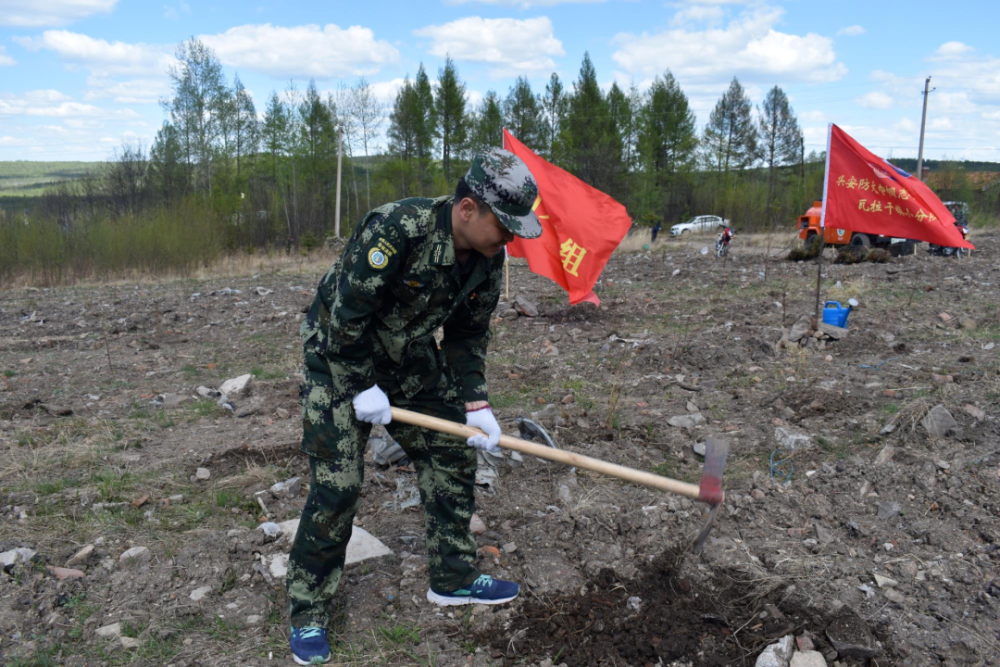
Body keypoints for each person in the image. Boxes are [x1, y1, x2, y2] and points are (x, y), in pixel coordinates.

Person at [286, 148, 543, 665]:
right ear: (468, 209)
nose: (510, 238)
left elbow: (468, 337)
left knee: (453, 449)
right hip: (338, 356)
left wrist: (475, 402)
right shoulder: (397, 229)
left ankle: (453, 577)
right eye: (504, 225)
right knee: (338, 487)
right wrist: (360, 386)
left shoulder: (490, 260)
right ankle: (308, 609)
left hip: (408, 357)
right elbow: (346, 315)